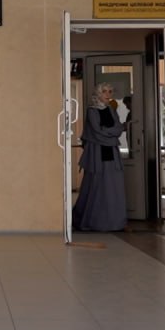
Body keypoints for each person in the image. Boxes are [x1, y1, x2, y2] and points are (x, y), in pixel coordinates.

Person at [72, 82, 128, 232]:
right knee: (97, 185)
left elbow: (119, 128)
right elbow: (97, 131)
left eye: (110, 91)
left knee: (113, 185)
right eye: (105, 91)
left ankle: (114, 222)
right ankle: (95, 221)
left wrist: (109, 132)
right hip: (97, 153)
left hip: (111, 152)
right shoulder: (92, 111)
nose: (108, 94)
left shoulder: (111, 110)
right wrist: (112, 134)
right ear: (98, 93)